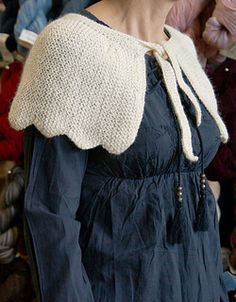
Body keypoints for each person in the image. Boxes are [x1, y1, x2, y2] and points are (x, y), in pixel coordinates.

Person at [9, 0, 230, 301]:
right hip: (119, 285)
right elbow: (50, 216)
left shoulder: (181, 49)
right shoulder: (69, 45)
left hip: (198, 281)